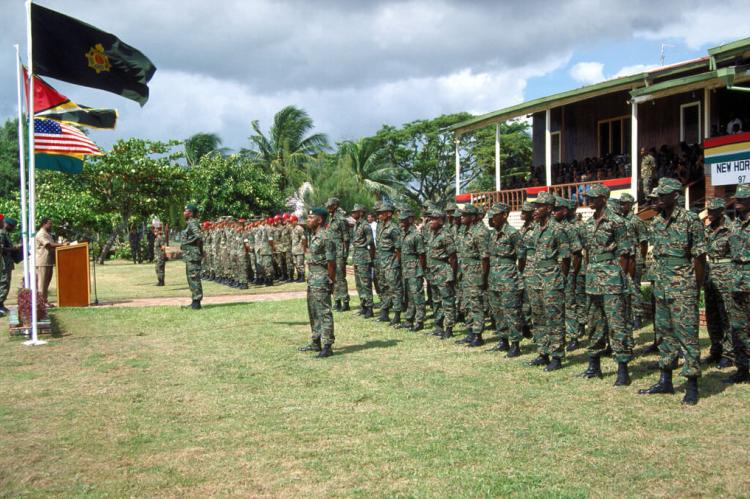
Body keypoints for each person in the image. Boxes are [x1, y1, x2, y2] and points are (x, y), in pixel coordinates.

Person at [639, 178, 705, 405]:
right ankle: (665, 379)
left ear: (675, 196)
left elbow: (699, 257)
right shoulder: (656, 222)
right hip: (662, 285)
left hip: (683, 286)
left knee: (687, 335)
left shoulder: (690, 220)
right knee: (665, 334)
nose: (657, 199)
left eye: (662, 195)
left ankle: (692, 384)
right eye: (657, 195)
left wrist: (694, 288)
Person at [579, 184, 633, 386]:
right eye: (588, 197)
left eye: (593, 197)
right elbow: (587, 253)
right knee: (594, 323)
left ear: (604, 198)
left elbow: (625, 253)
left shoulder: (617, 222)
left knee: (617, 324)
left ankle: (622, 369)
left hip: (611, 280)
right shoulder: (587, 223)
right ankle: (594, 365)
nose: (589, 200)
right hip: (593, 279)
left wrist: (618, 277)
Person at [524, 191, 570, 371]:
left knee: (554, 318)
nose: (535, 210)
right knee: (539, 317)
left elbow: (565, 258)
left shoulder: (558, 230)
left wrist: (558, 279)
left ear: (549, 208)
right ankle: (543, 352)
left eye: (539, 206)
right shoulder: (536, 229)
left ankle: (557, 356)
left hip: (552, 280)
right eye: (535, 206)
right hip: (535, 279)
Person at [485, 203, 524, 357]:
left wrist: (515, 274)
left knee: (511, 311)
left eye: (495, 215)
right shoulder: (493, 233)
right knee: (497, 311)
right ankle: (503, 340)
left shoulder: (512, 233)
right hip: (494, 278)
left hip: (509, 278)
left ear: (504, 215)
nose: (492, 218)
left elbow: (522, 257)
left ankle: (515, 344)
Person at [298, 207, 336, 358]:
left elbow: (331, 262)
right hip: (313, 276)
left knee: (324, 312)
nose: (308, 220)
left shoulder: (326, 237)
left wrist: (330, 281)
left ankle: (327, 345)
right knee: (313, 310)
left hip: (321, 277)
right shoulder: (314, 235)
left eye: (311, 217)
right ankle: (316, 341)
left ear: (319, 220)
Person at [702, 198, 734, 368]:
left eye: (714, 211)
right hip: (709, 275)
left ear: (722, 211)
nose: (710, 214)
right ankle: (716, 350)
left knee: (726, 315)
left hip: (726, 276)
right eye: (709, 210)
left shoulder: (732, 229)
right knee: (711, 314)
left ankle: (729, 354)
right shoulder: (707, 229)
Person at [455, 204, 490, 347]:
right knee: (467, 304)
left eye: (465, 215)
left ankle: (477, 335)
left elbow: (485, 258)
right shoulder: (464, 230)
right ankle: (470, 332)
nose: (461, 217)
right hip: (465, 271)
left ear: (473, 217)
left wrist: (483, 277)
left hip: (475, 272)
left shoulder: (481, 232)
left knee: (476, 304)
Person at [726, 185, 750, 384]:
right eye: (737, 198)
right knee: (738, 327)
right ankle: (742, 368)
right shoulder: (733, 225)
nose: (738, 201)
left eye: (743, 198)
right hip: (736, 282)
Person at [425, 207, 457, 339]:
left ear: (440, 220)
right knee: (436, 301)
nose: (429, 221)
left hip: (443, 271)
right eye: (429, 219)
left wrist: (452, 275)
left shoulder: (445, 235)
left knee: (447, 301)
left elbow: (453, 257)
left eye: (433, 219)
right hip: (433, 272)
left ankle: (449, 328)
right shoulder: (432, 233)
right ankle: (438, 326)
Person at [375, 201, 403, 325]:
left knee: (395, 289)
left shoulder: (394, 228)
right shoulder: (381, 225)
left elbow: (398, 249)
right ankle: (384, 312)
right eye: (379, 213)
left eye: (381, 213)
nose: (379, 215)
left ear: (389, 214)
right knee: (383, 288)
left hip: (390, 262)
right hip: (381, 262)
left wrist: (395, 263)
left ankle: (397, 315)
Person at [398, 209, 426, 331]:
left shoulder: (416, 235)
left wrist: (422, 270)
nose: (401, 222)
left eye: (403, 220)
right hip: (406, 270)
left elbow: (421, 255)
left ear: (410, 220)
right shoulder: (403, 233)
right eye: (400, 220)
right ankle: (409, 319)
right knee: (409, 296)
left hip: (415, 270)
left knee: (417, 296)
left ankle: (419, 321)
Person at [35, 217, 67, 303]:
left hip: (48, 261)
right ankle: (41, 303)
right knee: (42, 284)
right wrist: (62, 245)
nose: (51, 225)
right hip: (43, 261)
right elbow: (49, 245)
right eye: (49, 224)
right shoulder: (41, 234)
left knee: (46, 283)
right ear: (44, 224)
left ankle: (44, 301)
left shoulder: (47, 233)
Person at [326, 198, 351, 311]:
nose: (328, 208)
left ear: (335, 206)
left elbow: (346, 239)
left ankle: (345, 302)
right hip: (332, 252)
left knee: (340, 277)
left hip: (340, 252)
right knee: (333, 277)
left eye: (329, 206)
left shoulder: (341, 219)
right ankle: (337, 301)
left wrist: (345, 254)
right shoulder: (331, 218)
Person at [350, 204, 374, 318]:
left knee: (366, 283)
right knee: (359, 284)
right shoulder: (356, 225)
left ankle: (370, 308)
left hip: (363, 255)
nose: (353, 214)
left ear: (361, 213)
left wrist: (362, 246)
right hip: (356, 256)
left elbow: (370, 240)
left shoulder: (365, 226)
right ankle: (363, 306)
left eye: (355, 212)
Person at [180, 204, 203, 310]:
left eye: (187, 211)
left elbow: (198, 236)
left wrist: (186, 243)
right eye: (184, 211)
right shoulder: (189, 223)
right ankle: (194, 301)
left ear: (191, 213)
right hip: (191, 256)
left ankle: (196, 302)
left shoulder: (193, 222)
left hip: (193, 255)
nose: (184, 212)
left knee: (194, 278)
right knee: (191, 278)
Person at [0, 217, 21, 314]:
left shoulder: (6, 234)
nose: (13, 228)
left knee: (6, 283)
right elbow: (2, 248)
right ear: (6, 224)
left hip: (7, 263)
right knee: (4, 283)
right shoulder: (1, 234)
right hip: (3, 263)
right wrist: (14, 249)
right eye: (12, 226)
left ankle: (1, 304)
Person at [290, 216, 306, 283]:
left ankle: (302, 277)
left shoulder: (299, 228)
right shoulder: (292, 228)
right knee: (296, 264)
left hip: (299, 250)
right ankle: (299, 276)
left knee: (300, 264)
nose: (291, 223)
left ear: (296, 221)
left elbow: (303, 239)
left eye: (292, 221)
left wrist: (303, 247)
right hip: (294, 250)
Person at [153, 222, 166, 286]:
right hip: (157, 256)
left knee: (159, 269)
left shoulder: (160, 238)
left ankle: (161, 282)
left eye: (156, 230)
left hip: (160, 256)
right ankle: (160, 281)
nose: (154, 231)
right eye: (154, 230)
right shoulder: (156, 238)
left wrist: (162, 256)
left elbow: (163, 247)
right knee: (158, 269)